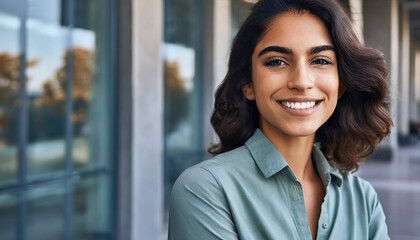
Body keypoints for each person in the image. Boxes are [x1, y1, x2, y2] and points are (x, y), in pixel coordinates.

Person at [168, 0, 393, 239]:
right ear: (248, 84)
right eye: (277, 61)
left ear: (341, 85)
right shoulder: (205, 190)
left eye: (321, 61)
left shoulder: (363, 199)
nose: (301, 81)